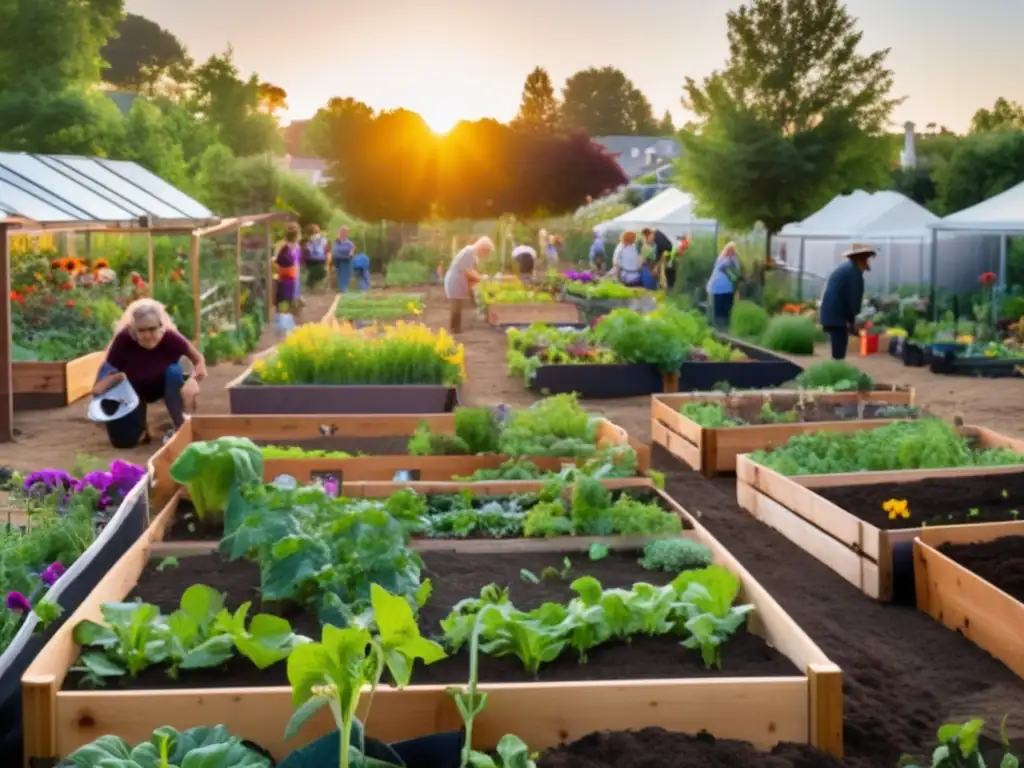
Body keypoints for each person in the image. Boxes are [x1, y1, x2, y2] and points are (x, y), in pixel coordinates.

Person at [92, 299, 206, 448]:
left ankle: (180, 426)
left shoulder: (171, 339)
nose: (147, 335)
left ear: (161, 327)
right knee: (124, 442)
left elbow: (199, 360)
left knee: (173, 372)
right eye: (141, 331)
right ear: (134, 331)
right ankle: (140, 428)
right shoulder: (123, 340)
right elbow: (106, 371)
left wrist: (193, 380)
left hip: (165, 384)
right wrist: (99, 399)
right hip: (134, 388)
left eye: (152, 329)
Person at [820, 244, 875, 360]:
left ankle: (836, 371)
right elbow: (853, 299)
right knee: (839, 353)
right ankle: (837, 373)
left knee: (837, 348)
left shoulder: (846, 268)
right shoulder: (854, 273)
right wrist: (852, 321)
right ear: (861, 259)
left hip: (831, 314)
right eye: (866, 258)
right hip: (836, 316)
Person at [445, 236, 493, 333]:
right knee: (456, 305)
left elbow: (471, 270)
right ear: (482, 248)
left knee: (458, 304)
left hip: (459, 279)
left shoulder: (472, 253)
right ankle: (454, 329)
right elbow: (468, 271)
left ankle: (456, 328)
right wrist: (481, 278)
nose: (485, 255)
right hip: (455, 279)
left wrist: (479, 277)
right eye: (486, 252)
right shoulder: (469, 252)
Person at [707, 241, 743, 328]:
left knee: (724, 306)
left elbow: (736, 273)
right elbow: (736, 273)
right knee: (721, 306)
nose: (730, 251)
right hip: (719, 287)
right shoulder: (725, 259)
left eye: (732, 250)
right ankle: (719, 323)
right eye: (730, 249)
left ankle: (722, 323)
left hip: (724, 288)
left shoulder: (727, 259)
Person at [275, 224, 302, 315]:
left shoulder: (296, 246)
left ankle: (291, 310)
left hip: (290, 273)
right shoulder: (284, 246)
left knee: (290, 294)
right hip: (288, 274)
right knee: (288, 294)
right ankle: (288, 311)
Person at [303, 224, 328, 289]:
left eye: (316, 231)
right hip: (311, 259)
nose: (315, 232)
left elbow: (324, 247)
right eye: (313, 231)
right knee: (314, 271)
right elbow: (307, 248)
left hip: (320, 258)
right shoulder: (308, 239)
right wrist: (310, 242)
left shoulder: (322, 238)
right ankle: (310, 285)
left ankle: (311, 285)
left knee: (321, 272)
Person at [332, 226, 355, 292]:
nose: (343, 233)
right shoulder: (336, 242)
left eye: (344, 232)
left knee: (345, 273)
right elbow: (334, 251)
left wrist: (350, 254)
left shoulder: (349, 243)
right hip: (337, 260)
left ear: (347, 233)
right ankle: (341, 287)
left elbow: (352, 251)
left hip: (346, 260)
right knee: (339, 273)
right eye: (341, 232)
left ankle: (343, 288)